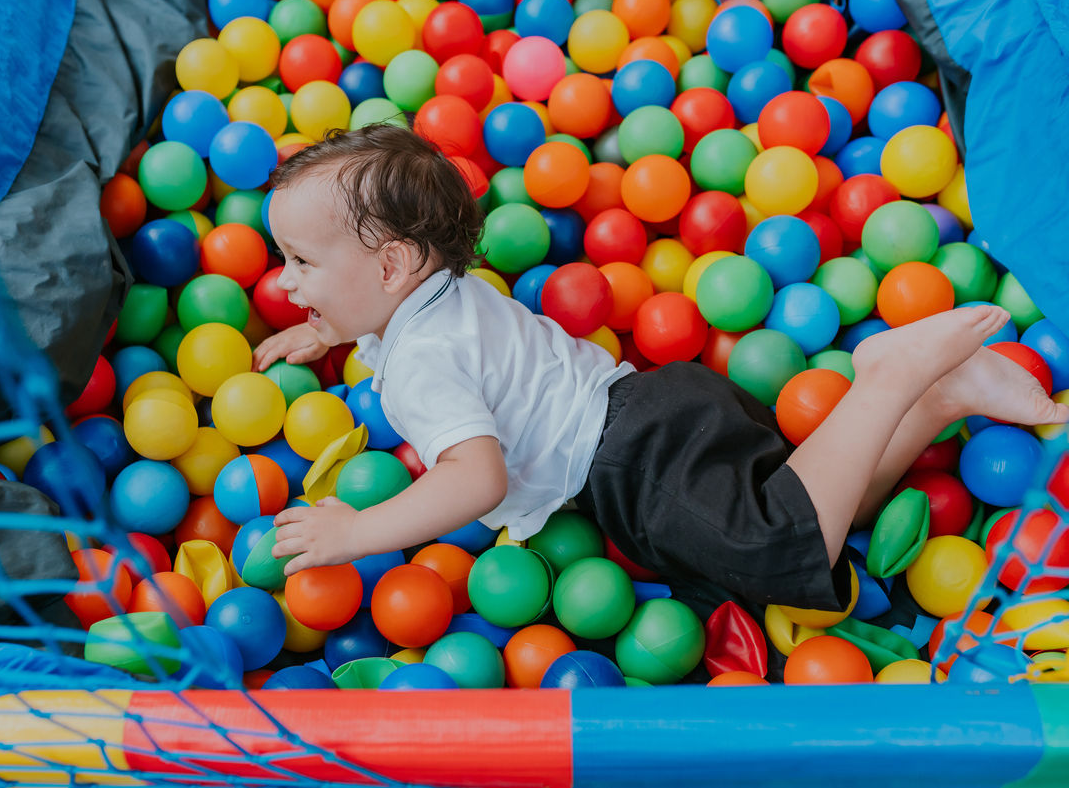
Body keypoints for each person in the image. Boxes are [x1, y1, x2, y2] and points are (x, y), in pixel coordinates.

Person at [254, 124, 1068, 611]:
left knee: (782, 550)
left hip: (631, 467)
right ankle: (942, 395)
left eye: (300, 263)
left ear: (393, 267)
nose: (285, 282)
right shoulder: (439, 298)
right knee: (817, 495)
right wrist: (327, 329)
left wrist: (358, 529)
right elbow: (393, 322)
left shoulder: (419, 366)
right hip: (659, 397)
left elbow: (477, 481)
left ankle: (886, 374)